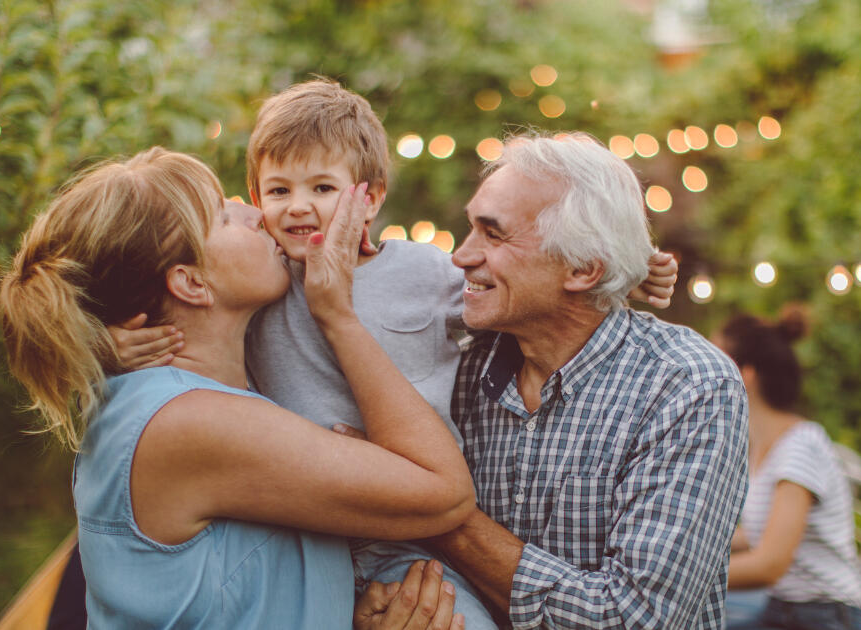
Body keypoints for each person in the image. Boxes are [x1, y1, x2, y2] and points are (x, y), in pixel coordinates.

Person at [111, 78, 679, 629]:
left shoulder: (422, 273)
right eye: (279, 191)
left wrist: (624, 270)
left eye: (322, 188)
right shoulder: (266, 280)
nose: (298, 207)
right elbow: (161, 321)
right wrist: (110, 343)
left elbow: (520, 290)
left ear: (371, 197)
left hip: (411, 535)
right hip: (309, 522)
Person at [0, 147, 475, 628]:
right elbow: (445, 494)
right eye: (223, 216)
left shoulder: (165, 403)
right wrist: (336, 314)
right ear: (191, 283)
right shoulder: (186, 422)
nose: (255, 214)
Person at [420, 131, 749, 628]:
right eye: (471, 229)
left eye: (493, 234)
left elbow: (632, 619)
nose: (461, 257)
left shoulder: (687, 385)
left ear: (582, 268)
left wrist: (432, 508)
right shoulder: (457, 359)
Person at [714, 309, 861, 630]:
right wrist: (693, 541)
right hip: (784, 609)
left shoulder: (800, 446)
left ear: (744, 375)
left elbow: (769, 565)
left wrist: (680, 575)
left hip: (826, 616)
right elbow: (760, 532)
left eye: (711, 360)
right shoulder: (762, 445)